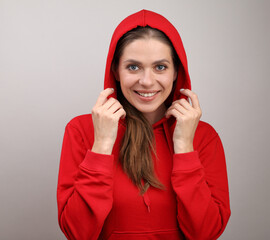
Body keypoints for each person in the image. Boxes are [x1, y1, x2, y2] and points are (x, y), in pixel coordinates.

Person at [57, 9, 231, 240]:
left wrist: (184, 148)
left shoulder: (204, 136)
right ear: (116, 71)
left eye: (160, 67)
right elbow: (77, 233)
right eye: (133, 67)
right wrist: (102, 145)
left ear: (176, 71)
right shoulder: (81, 131)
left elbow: (206, 233)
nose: (147, 82)